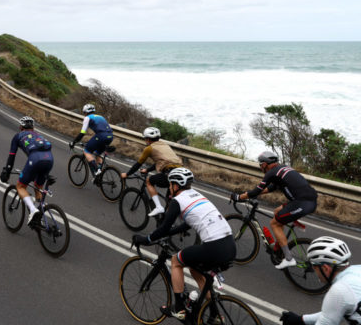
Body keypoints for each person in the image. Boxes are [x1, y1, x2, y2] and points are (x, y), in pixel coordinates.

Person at [132, 168, 234, 323]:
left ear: (176, 185)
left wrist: (145, 239)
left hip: (214, 246)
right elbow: (187, 225)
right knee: (194, 269)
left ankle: (180, 309)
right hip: (229, 245)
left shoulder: (177, 201)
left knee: (176, 261)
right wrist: (171, 232)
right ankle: (215, 315)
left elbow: (164, 228)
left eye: (170, 184)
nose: (169, 188)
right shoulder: (197, 195)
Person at [231, 151, 318, 270]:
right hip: (307, 200)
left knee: (274, 224)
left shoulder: (271, 173)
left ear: (266, 164)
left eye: (261, 165)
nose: (261, 167)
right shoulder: (282, 169)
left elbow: (257, 190)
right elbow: (271, 187)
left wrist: (239, 197)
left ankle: (289, 258)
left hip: (302, 203)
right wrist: (251, 194)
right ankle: (278, 247)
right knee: (277, 212)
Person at [0, 116, 53, 227]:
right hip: (49, 159)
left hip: (35, 159)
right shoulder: (39, 135)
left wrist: (7, 172)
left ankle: (33, 210)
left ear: (20, 127)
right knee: (38, 186)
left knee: (20, 186)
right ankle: (41, 217)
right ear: (33, 128)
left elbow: (12, 156)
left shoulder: (18, 136)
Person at [120, 127, 182, 217]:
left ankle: (158, 207)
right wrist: (148, 170)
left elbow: (138, 164)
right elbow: (162, 161)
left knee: (149, 181)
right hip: (181, 172)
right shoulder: (164, 145)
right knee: (169, 202)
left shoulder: (149, 148)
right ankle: (168, 222)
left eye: (145, 138)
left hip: (170, 173)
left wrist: (127, 174)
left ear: (148, 139)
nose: (145, 140)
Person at [68, 103, 113, 182]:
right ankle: (100, 171)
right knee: (97, 153)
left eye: (84, 113)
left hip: (101, 136)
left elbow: (82, 133)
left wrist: (74, 142)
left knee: (87, 151)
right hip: (110, 136)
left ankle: (97, 171)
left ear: (85, 112)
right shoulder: (100, 116)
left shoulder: (87, 118)